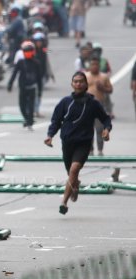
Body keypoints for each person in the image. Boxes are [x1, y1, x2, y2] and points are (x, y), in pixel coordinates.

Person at [44, 72, 111, 215]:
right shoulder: (65, 102)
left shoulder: (93, 103)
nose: (78, 84)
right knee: (71, 174)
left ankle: (64, 202)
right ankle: (75, 185)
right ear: (72, 84)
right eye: (75, 81)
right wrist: (50, 135)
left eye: (81, 81)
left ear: (86, 84)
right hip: (67, 142)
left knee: (74, 170)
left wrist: (106, 129)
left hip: (84, 143)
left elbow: (106, 119)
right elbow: (56, 120)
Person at [7, 41, 42, 130]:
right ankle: (27, 119)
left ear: (32, 52)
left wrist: (40, 90)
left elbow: (39, 78)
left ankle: (30, 122)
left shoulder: (36, 63)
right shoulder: (20, 62)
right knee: (22, 105)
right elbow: (14, 73)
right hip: (22, 87)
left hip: (32, 87)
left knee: (30, 106)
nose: (27, 53)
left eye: (29, 51)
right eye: (25, 52)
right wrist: (10, 84)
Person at [85, 57, 113, 156]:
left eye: (96, 65)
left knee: (100, 129)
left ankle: (100, 150)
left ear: (99, 66)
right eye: (92, 64)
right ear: (90, 66)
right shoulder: (85, 76)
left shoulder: (103, 77)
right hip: (87, 106)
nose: (94, 66)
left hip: (100, 106)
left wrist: (102, 88)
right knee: (88, 129)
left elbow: (110, 90)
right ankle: (90, 150)